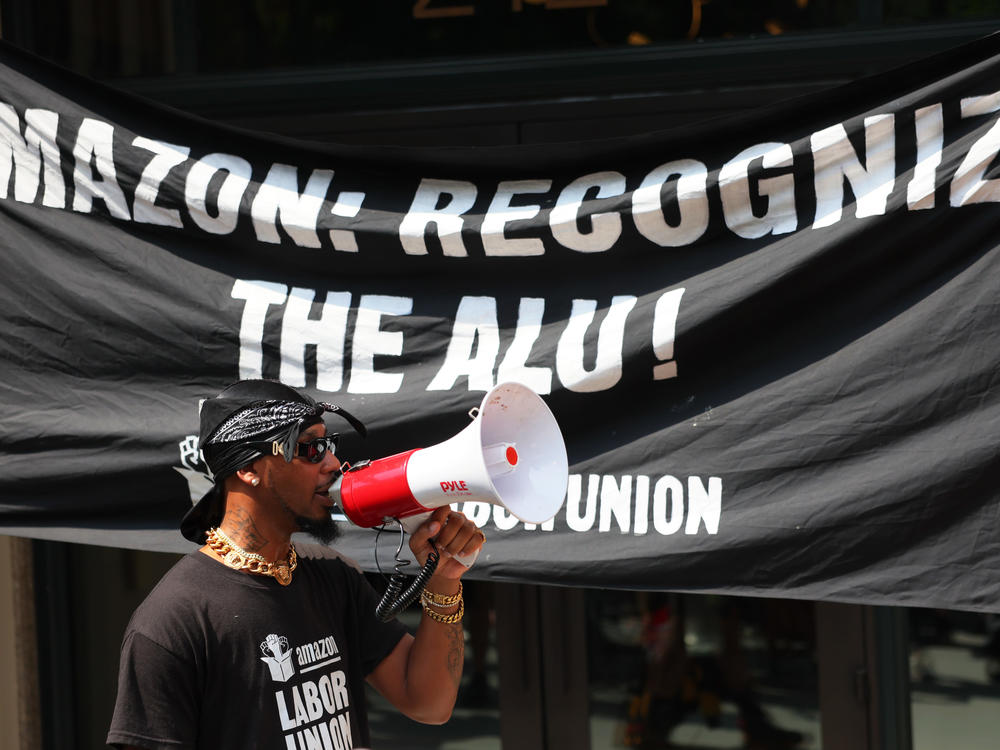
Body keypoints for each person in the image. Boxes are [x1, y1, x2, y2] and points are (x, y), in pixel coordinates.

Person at [107, 379, 485, 750]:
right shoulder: (172, 623)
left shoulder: (333, 575)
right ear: (249, 468)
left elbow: (428, 704)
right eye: (310, 449)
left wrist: (442, 585)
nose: (334, 463)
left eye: (329, 445)